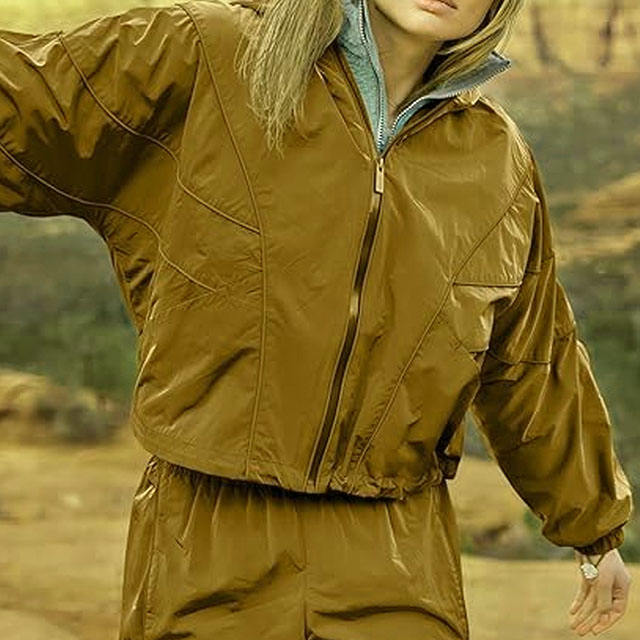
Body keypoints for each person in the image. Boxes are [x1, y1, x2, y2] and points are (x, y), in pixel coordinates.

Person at [0, 0, 634, 638]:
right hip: (206, 546)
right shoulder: (206, 54)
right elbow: (28, 102)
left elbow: (532, 361)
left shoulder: (498, 162)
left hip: (398, 558)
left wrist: (596, 530)